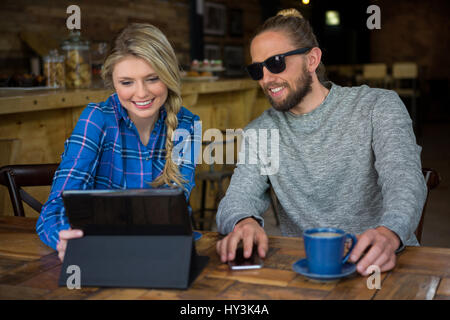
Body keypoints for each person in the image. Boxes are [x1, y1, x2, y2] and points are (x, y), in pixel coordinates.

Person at [215, 9, 427, 276]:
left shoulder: (377, 107)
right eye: (257, 69)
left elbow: (404, 180)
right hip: (311, 271)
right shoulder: (260, 131)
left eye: (277, 62)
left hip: (386, 267)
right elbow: (236, 200)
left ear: (312, 59)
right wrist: (243, 221)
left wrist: (389, 232)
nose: (267, 78)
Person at [37, 23, 200, 262]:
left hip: (163, 252)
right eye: (127, 82)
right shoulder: (97, 119)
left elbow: (169, 211)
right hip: (102, 252)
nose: (141, 93)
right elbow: (54, 209)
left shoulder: (188, 124)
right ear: (113, 82)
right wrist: (64, 238)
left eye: (152, 78)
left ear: (170, 75)